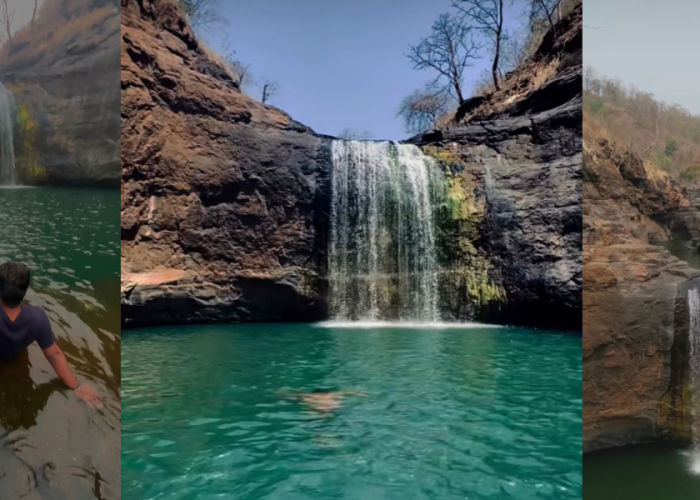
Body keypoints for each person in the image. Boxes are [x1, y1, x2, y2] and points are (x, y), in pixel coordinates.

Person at [0, 262, 102, 409]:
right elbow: (54, 354)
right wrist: (76, 386)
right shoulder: (37, 317)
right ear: (25, 290)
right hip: (16, 353)